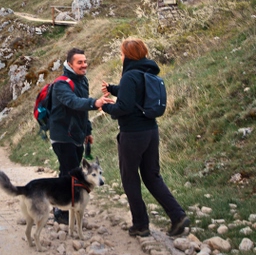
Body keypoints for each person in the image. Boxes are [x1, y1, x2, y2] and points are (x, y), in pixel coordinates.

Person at [101, 38, 190, 237]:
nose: (121, 57)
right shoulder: (147, 72)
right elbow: (135, 93)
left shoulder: (129, 76)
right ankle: (178, 216)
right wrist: (113, 88)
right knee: (152, 176)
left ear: (128, 55)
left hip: (132, 134)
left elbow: (124, 107)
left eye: (122, 53)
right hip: (151, 131)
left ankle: (140, 224)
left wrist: (104, 106)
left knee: (130, 178)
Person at [49, 47, 109, 224]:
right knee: (69, 173)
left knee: (70, 171)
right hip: (61, 136)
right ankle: (61, 212)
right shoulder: (61, 84)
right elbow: (73, 102)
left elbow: (82, 112)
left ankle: (64, 207)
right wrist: (95, 102)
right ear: (69, 64)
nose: (84, 65)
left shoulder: (83, 81)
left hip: (76, 135)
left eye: (85, 61)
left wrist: (87, 131)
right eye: (79, 62)